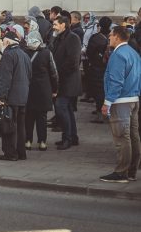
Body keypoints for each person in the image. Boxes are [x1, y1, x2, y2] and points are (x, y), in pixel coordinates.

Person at [99, 26, 141, 183]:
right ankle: (131, 172)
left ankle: (121, 173)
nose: (109, 38)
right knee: (133, 136)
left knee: (122, 137)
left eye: (110, 35)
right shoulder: (133, 53)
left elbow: (116, 81)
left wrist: (107, 101)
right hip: (133, 99)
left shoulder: (118, 54)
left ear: (117, 36)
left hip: (120, 101)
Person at [0, 30, 32, 161]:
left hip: (11, 97)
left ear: (8, 42)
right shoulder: (24, 55)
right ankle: (21, 153)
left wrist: (1, 97)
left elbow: (5, 78)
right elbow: (29, 75)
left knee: (9, 125)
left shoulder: (8, 55)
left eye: (3, 41)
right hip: (23, 96)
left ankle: (10, 153)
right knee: (21, 126)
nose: (3, 44)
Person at [51, 16, 82, 150]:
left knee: (61, 108)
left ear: (64, 25)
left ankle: (67, 138)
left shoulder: (72, 38)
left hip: (68, 80)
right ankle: (72, 137)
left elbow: (73, 62)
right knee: (67, 109)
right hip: (62, 80)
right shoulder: (59, 37)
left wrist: (59, 75)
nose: (53, 26)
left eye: (56, 24)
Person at [24, 30, 57, 152]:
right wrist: (55, 89)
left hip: (28, 88)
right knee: (42, 117)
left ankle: (28, 141)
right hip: (43, 88)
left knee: (28, 116)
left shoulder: (24, 52)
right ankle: (42, 142)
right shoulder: (47, 53)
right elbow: (54, 73)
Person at [85, 16, 112, 121]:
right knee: (106, 89)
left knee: (98, 90)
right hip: (109, 67)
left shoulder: (95, 37)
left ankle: (100, 113)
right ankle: (106, 110)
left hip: (97, 67)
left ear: (99, 25)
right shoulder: (112, 35)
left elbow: (89, 53)